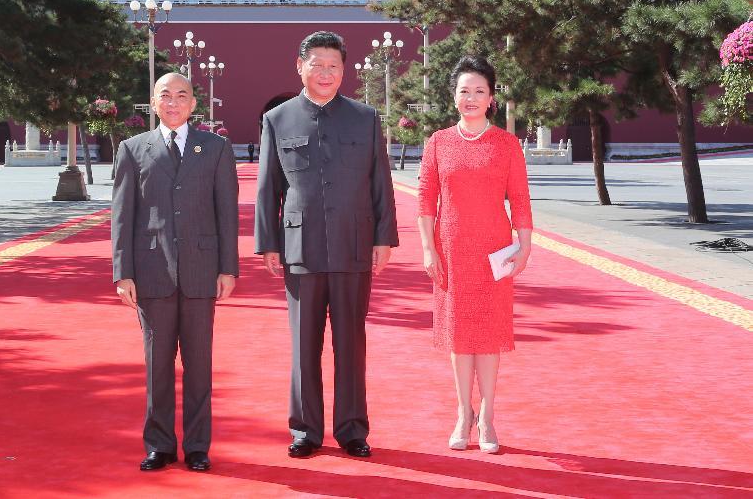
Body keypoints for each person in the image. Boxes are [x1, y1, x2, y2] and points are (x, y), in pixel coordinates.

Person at [255, 30, 398, 459]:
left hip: (354, 245)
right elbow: (268, 188)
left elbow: (381, 183)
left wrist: (383, 238)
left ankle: (353, 428)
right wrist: (269, 243)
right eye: (316, 64)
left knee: (351, 342)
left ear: (344, 71)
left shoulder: (365, 117)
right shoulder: (278, 119)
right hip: (301, 247)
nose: (325, 72)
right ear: (299, 66)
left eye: (333, 65)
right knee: (304, 344)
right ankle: (306, 429)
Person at [111, 72, 239, 473]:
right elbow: (122, 215)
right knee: (158, 364)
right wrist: (123, 272)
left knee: (200, 363)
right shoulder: (133, 150)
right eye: (165, 95)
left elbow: (227, 213)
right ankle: (159, 445)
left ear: (193, 105)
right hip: (151, 271)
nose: (173, 102)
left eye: (181, 95)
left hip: (202, 271)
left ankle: (198, 446)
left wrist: (228, 268)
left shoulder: (216, 148)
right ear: (152, 102)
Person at [418, 55, 532, 454]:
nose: (470, 98)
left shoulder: (506, 144)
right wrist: (429, 249)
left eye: (478, 91)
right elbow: (425, 200)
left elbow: (519, 199)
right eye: (464, 91)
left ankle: (487, 416)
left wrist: (526, 244)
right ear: (454, 97)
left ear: (490, 98)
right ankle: (463, 413)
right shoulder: (438, 142)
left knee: (489, 336)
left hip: (494, 251)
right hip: (451, 250)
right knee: (459, 337)